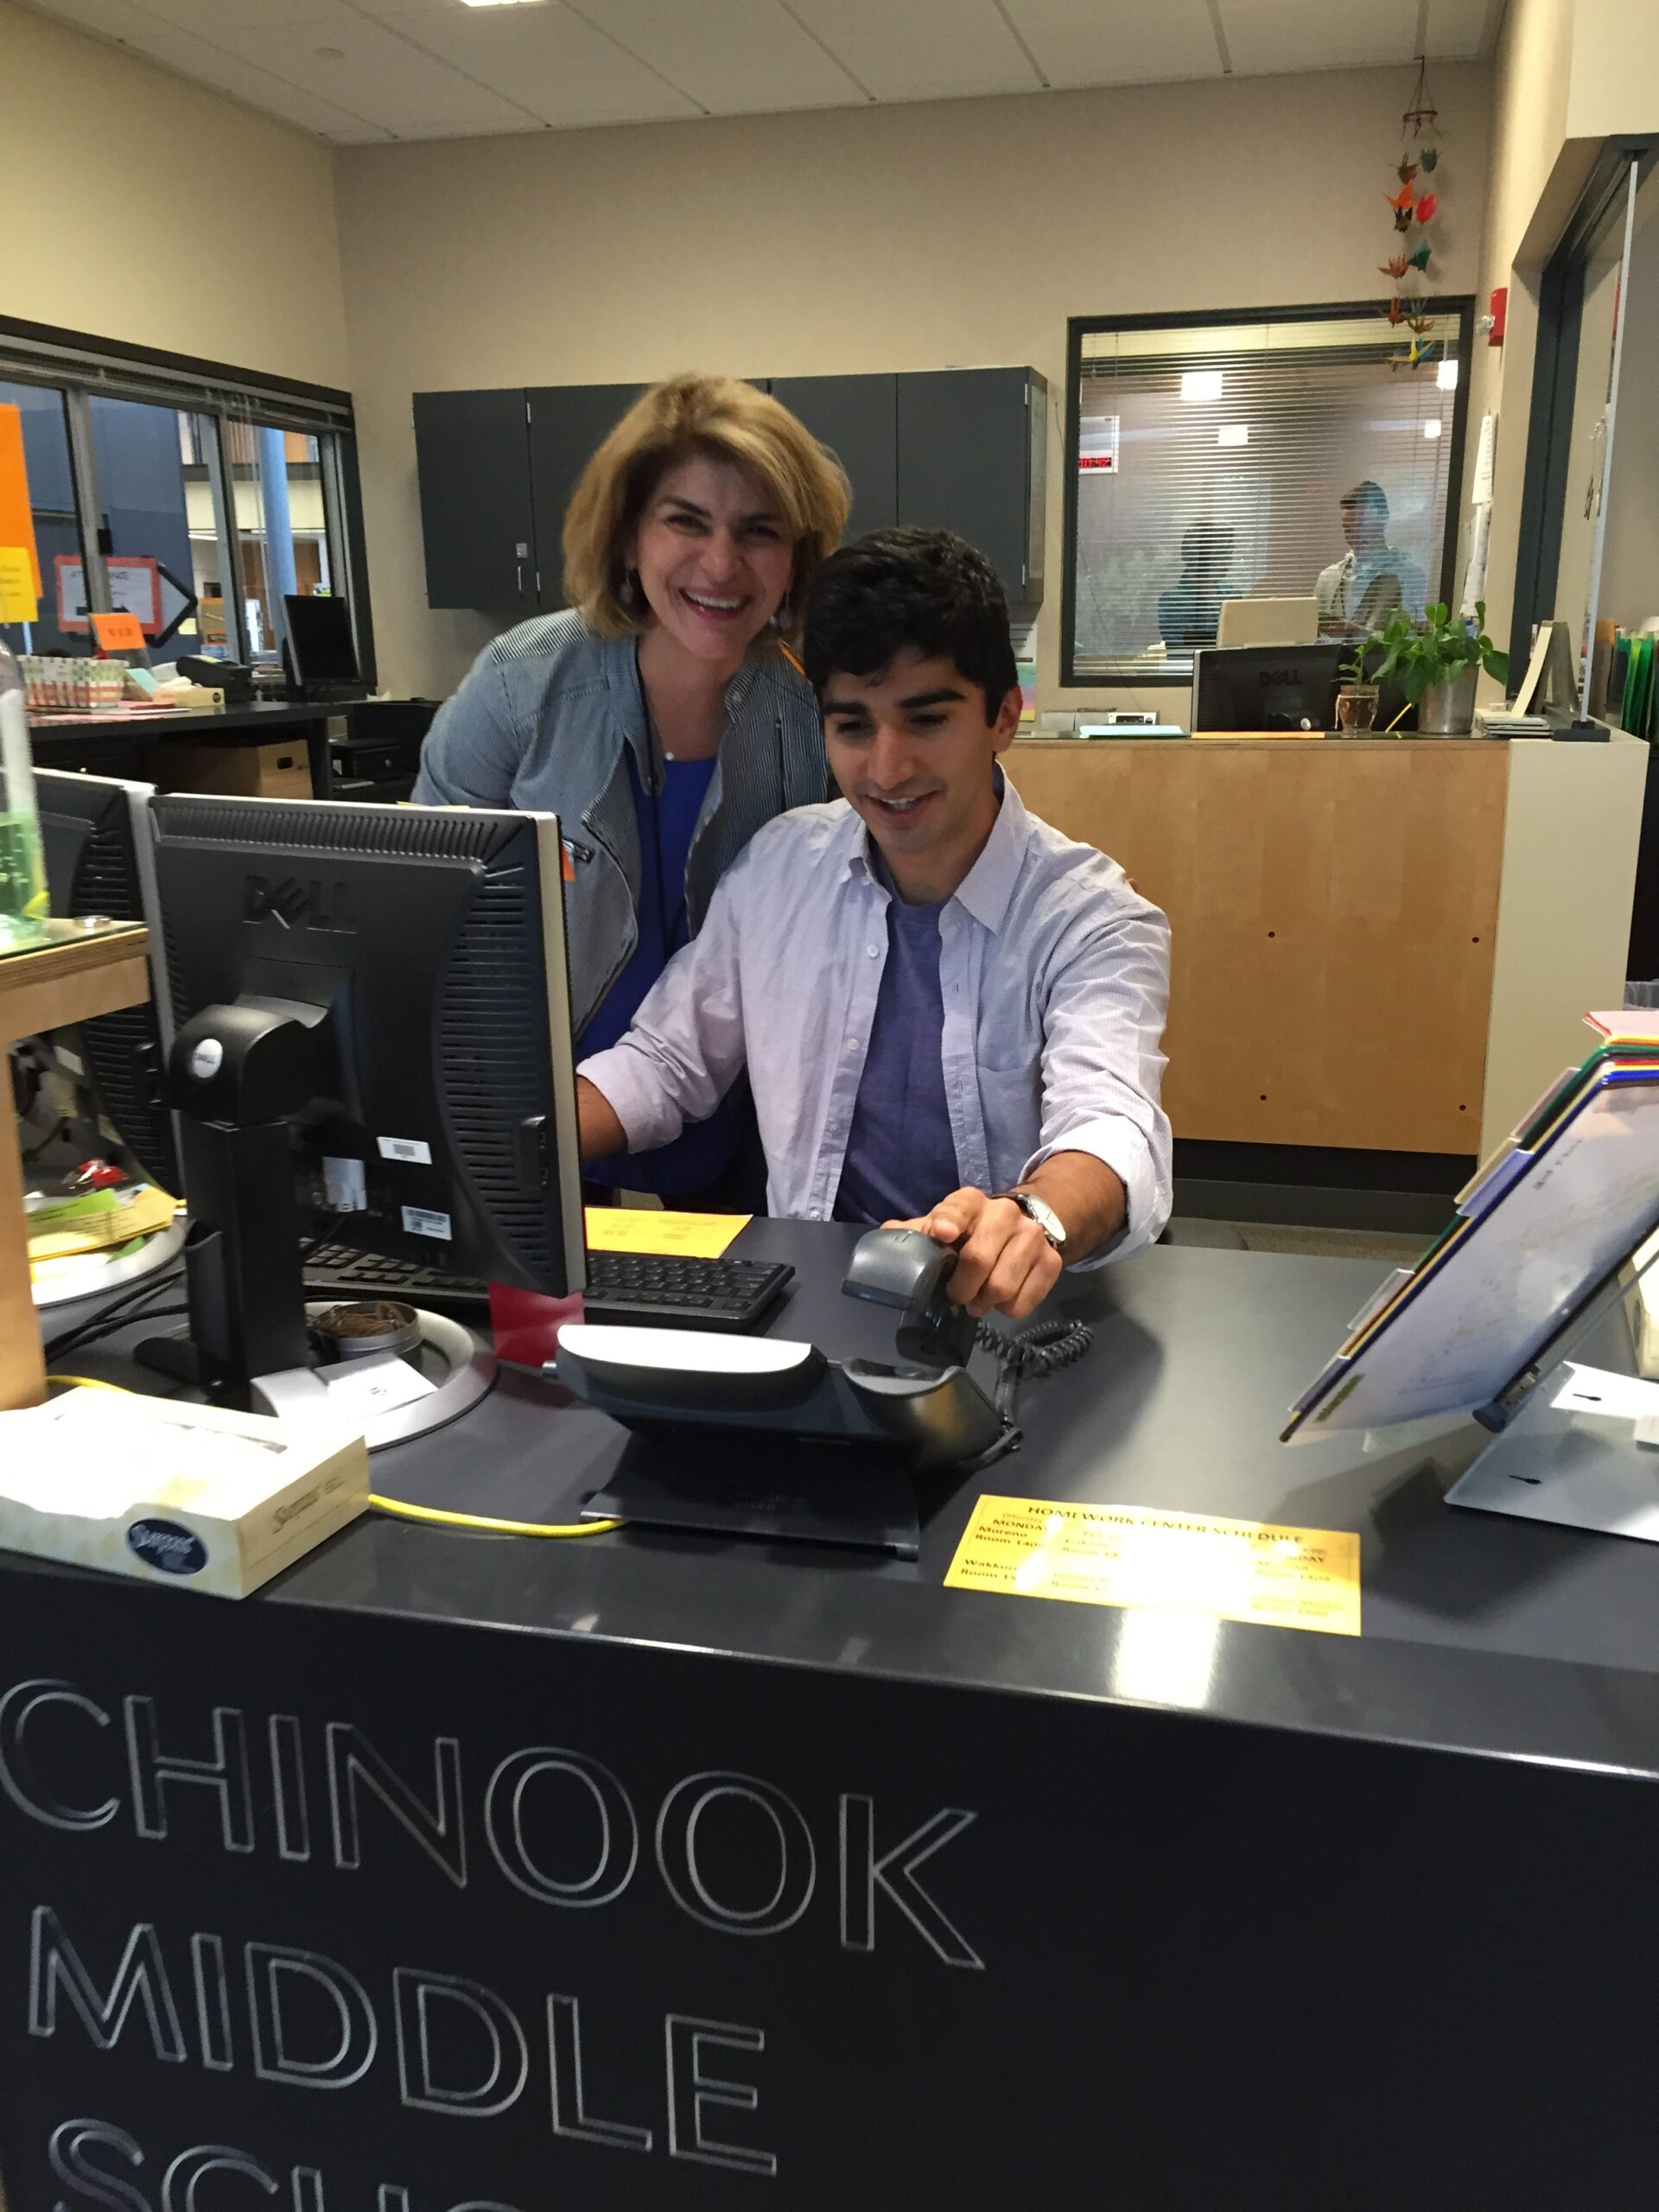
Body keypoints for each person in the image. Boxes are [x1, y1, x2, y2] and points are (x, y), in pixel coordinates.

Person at [575, 527, 1173, 1321]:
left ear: (1003, 717)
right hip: (812, 1306)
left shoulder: (1091, 917)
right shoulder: (780, 868)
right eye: (853, 727)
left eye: (926, 721)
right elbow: (667, 1062)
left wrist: (1033, 1219)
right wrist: (514, 1135)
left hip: (1004, 1319)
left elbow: (1112, 1120)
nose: (886, 770)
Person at [412, 374, 850, 1199]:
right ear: (627, 536)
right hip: (539, 1123)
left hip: (742, 1138)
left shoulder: (816, 714)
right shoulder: (521, 687)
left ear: (796, 558)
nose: (721, 564)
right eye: (686, 521)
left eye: (759, 531)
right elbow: (421, 922)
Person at [1315, 480, 1427, 635]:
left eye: (1361, 526)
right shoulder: (1329, 578)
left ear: (1383, 518)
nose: (1354, 537)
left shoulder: (1410, 575)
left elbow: (1416, 636)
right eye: (1348, 529)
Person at [1157, 522, 1234, 650]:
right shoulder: (1172, 600)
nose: (1229, 559)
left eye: (1229, 552)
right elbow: (1183, 646)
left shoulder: (1232, 595)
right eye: (1223, 552)